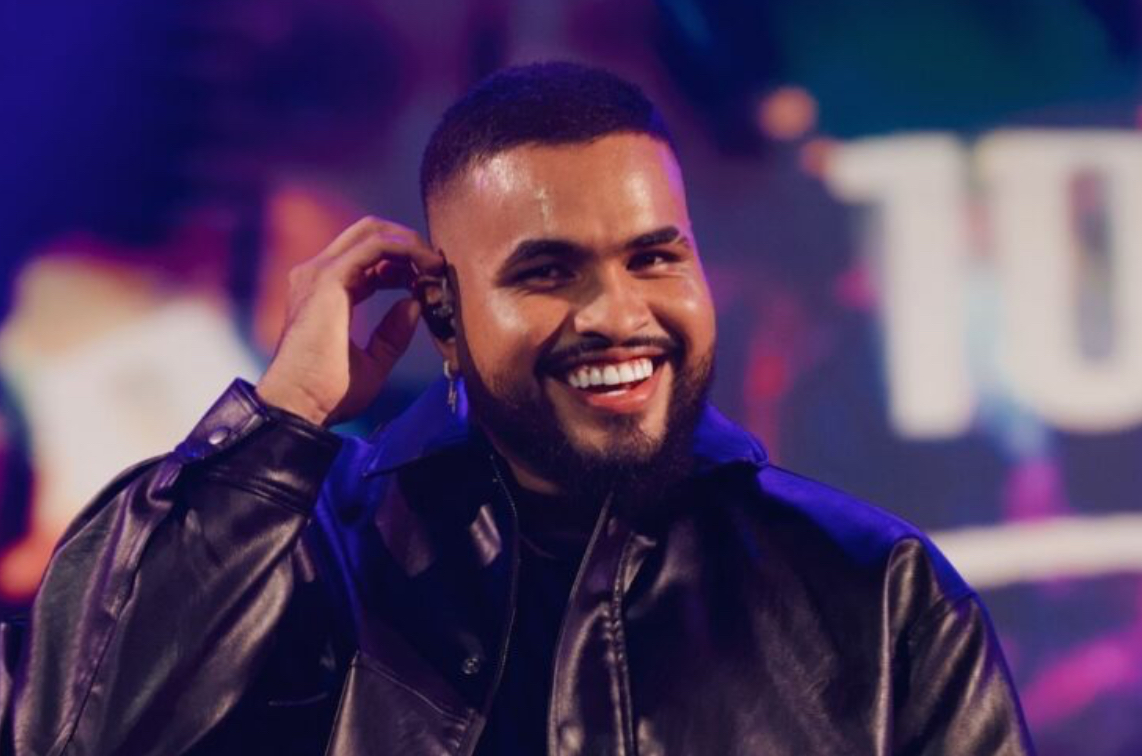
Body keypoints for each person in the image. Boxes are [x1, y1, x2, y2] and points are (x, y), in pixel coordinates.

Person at [0, 62, 1034, 755]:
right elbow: (75, 734)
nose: (619, 313)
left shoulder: (877, 592)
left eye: (654, 258)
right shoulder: (303, 561)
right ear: (443, 316)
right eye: (547, 272)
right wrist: (282, 417)